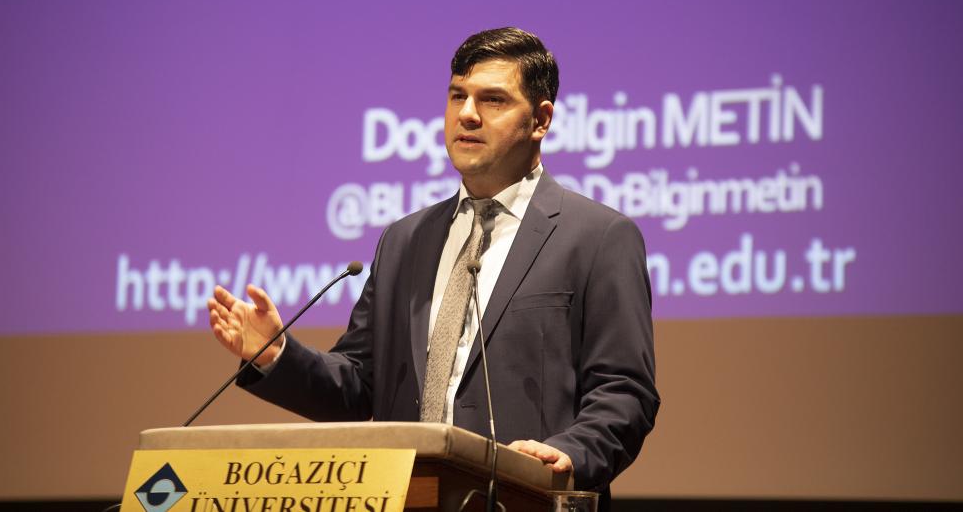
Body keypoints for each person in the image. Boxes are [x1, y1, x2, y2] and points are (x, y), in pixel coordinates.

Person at [207, 27, 659, 500]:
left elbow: (625, 391)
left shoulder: (599, 237)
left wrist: (570, 452)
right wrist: (276, 355)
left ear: (541, 120)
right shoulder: (405, 240)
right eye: (457, 96)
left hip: (527, 500)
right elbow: (358, 385)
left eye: (493, 100)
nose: (467, 114)